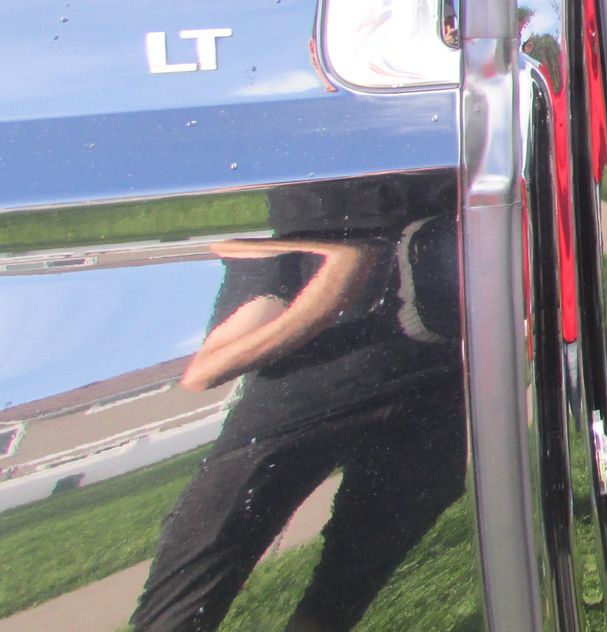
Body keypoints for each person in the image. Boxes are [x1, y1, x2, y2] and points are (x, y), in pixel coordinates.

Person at [130, 190, 465, 631]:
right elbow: (205, 370)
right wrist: (336, 281)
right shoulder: (290, 179)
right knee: (195, 576)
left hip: (441, 381)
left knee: (350, 583)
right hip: (301, 399)